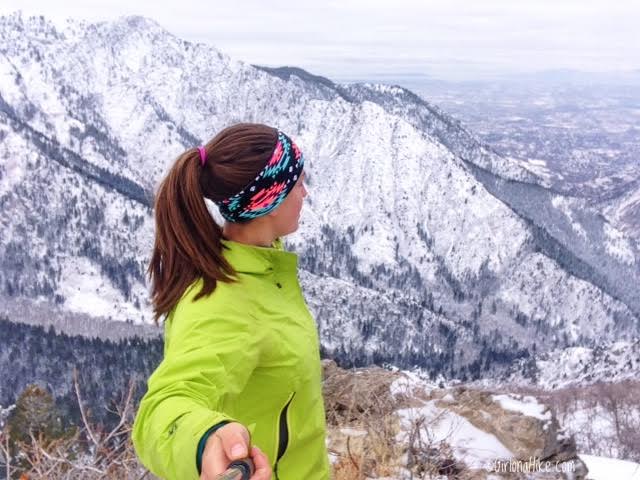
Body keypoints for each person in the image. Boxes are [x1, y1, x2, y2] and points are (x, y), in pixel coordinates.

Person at [132, 123, 331, 479]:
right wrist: (205, 442)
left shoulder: (254, 267)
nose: (306, 192)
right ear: (271, 198)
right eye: (298, 182)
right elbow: (163, 408)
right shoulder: (224, 303)